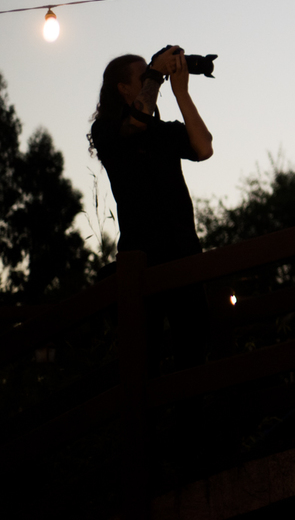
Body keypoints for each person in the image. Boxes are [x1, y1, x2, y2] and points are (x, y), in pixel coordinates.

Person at [88, 46, 213, 371]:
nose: (149, 80)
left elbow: (204, 147)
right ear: (123, 88)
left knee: (193, 355)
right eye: (142, 76)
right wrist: (157, 73)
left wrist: (181, 93)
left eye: (150, 75)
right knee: (145, 361)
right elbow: (135, 123)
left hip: (184, 250)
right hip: (140, 260)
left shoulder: (160, 131)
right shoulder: (108, 131)